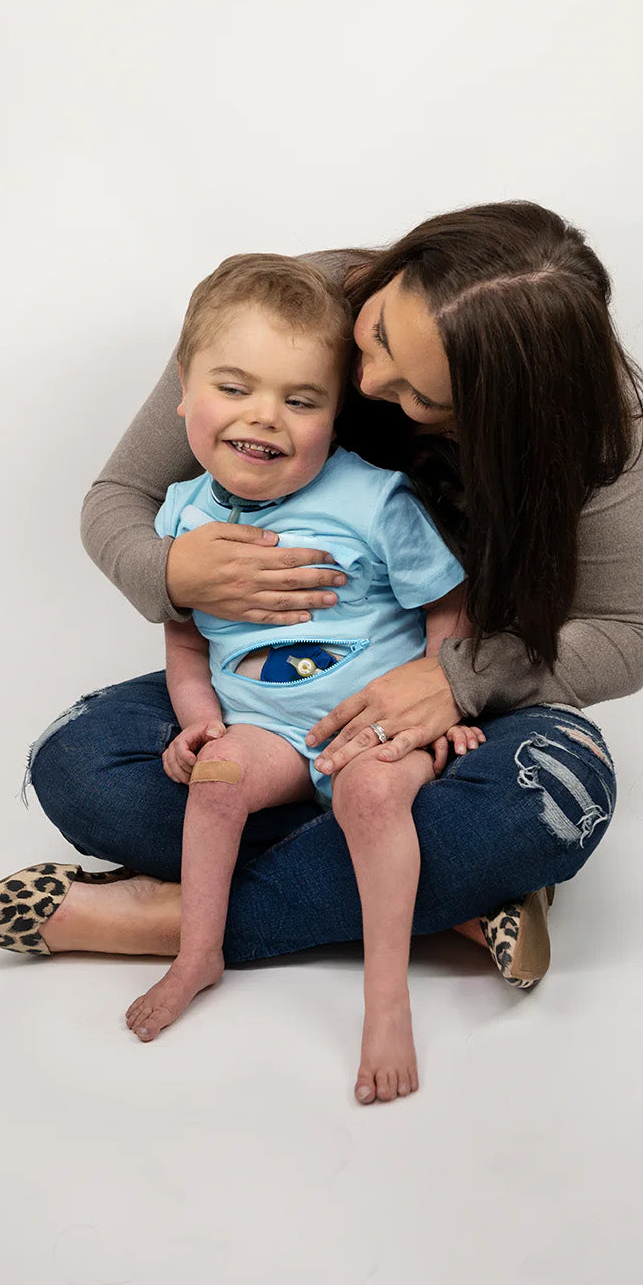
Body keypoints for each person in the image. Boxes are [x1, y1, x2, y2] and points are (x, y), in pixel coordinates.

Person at [0, 201, 643, 1105]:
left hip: (457, 714)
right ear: (395, 270)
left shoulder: (591, 419)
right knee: (81, 766)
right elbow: (121, 496)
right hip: (276, 702)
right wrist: (175, 571)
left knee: (553, 801)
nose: (365, 385)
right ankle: (440, 900)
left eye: (419, 399)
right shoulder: (297, 304)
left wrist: (455, 682)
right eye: (372, 338)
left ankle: (176, 915)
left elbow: (628, 636)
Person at [123, 253, 476, 1102]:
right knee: (209, 785)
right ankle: (199, 951)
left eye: (301, 400)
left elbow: (448, 603)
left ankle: (384, 997)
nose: (264, 419)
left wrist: (445, 692)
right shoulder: (179, 517)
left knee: (370, 797)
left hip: (374, 722)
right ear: (183, 387)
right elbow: (184, 645)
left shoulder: (375, 499)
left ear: (337, 413)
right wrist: (197, 722)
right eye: (234, 387)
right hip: (272, 732)